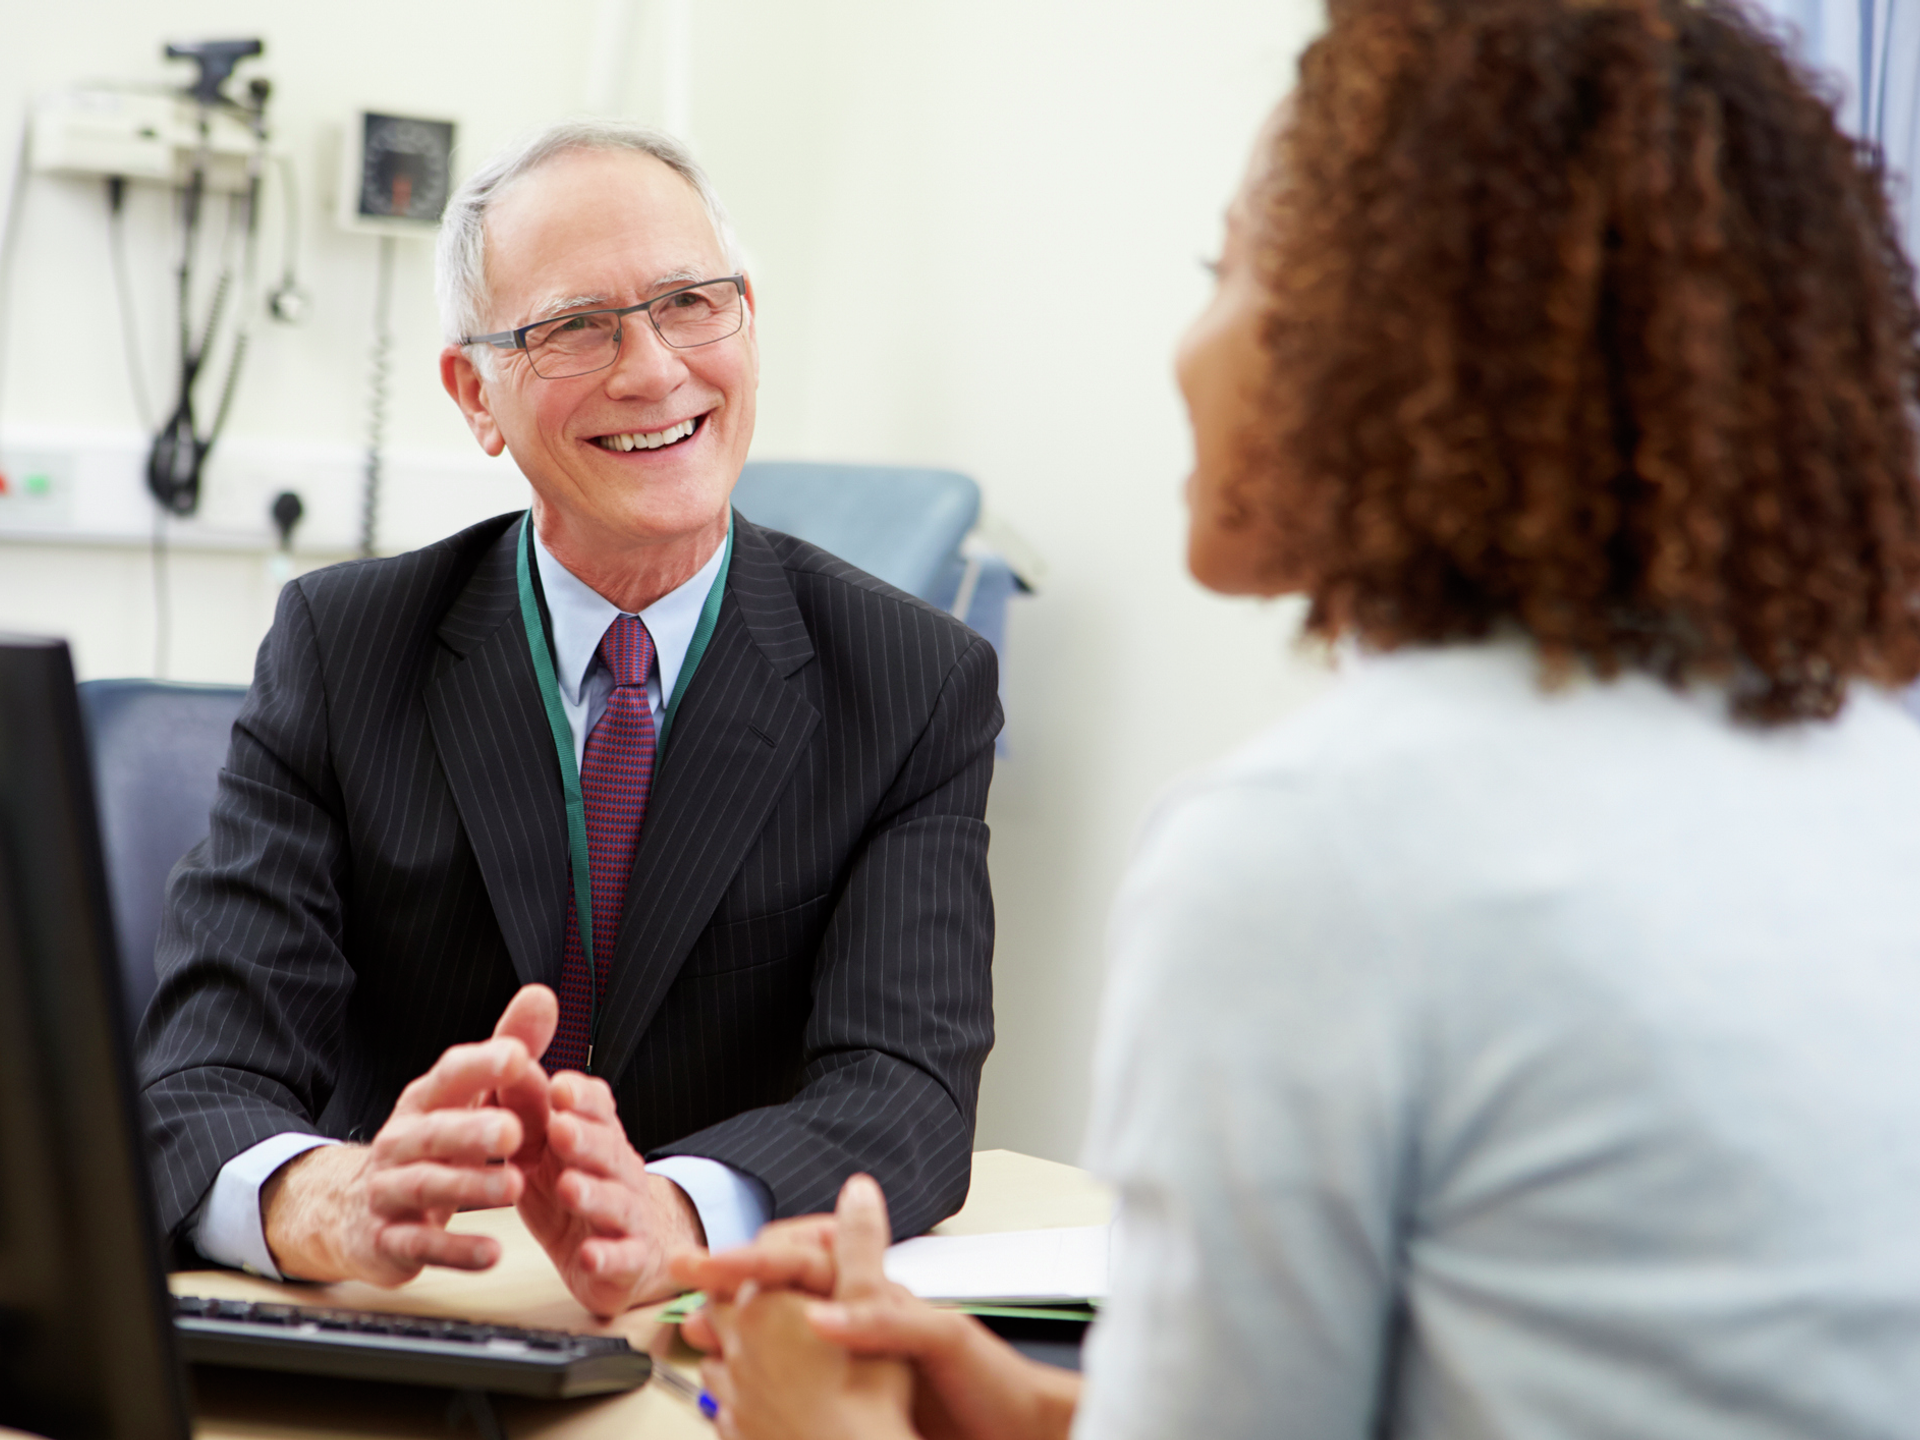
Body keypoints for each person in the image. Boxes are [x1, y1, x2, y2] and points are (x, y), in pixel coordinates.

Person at [674, 0, 1920, 1432]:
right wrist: (1033, 1415)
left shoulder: (1320, 850)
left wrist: (815, 1426)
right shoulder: (1877, 782)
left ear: (1386, 345)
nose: (1187, 347)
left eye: (1228, 269)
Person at [135, 120, 1000, 1316]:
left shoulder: (911, 679)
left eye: (691, 302)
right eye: (574, 326)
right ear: (474, 392)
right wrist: (328, 1199)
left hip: (711, 1332)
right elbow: (196, 1079)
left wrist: (675, 1212)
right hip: (417, 1312)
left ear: (747, 317)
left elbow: (906, 1089)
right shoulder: (345, 650)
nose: (651, 369)